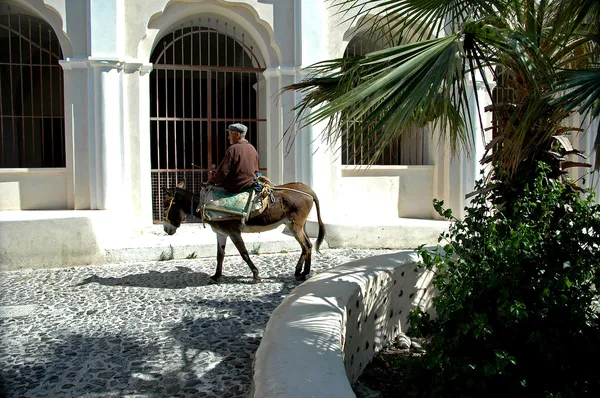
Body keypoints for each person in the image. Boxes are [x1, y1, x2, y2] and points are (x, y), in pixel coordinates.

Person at [207, 123, 259, 194]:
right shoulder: (252, 149)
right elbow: (256, 170)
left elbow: (222, 172)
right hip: (249, 186)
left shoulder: (233, 149)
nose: (229, 137)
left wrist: (210, 182)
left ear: (237, 135)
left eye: (230, 134)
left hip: (235, 187)